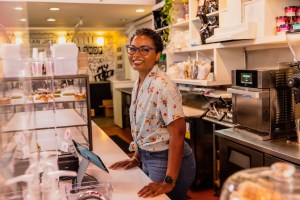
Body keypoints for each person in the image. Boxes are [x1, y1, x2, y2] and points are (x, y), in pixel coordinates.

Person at [109, 28, 196, 200]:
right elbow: (143, 126)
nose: (136, 54)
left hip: (165, 160)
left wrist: (169, 181)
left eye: (145, 49)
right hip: (146, 156)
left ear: (157, 55)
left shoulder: (163, 85)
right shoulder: (140, 81)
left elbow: (178, 134)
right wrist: (137, 156)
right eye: (133, 48)